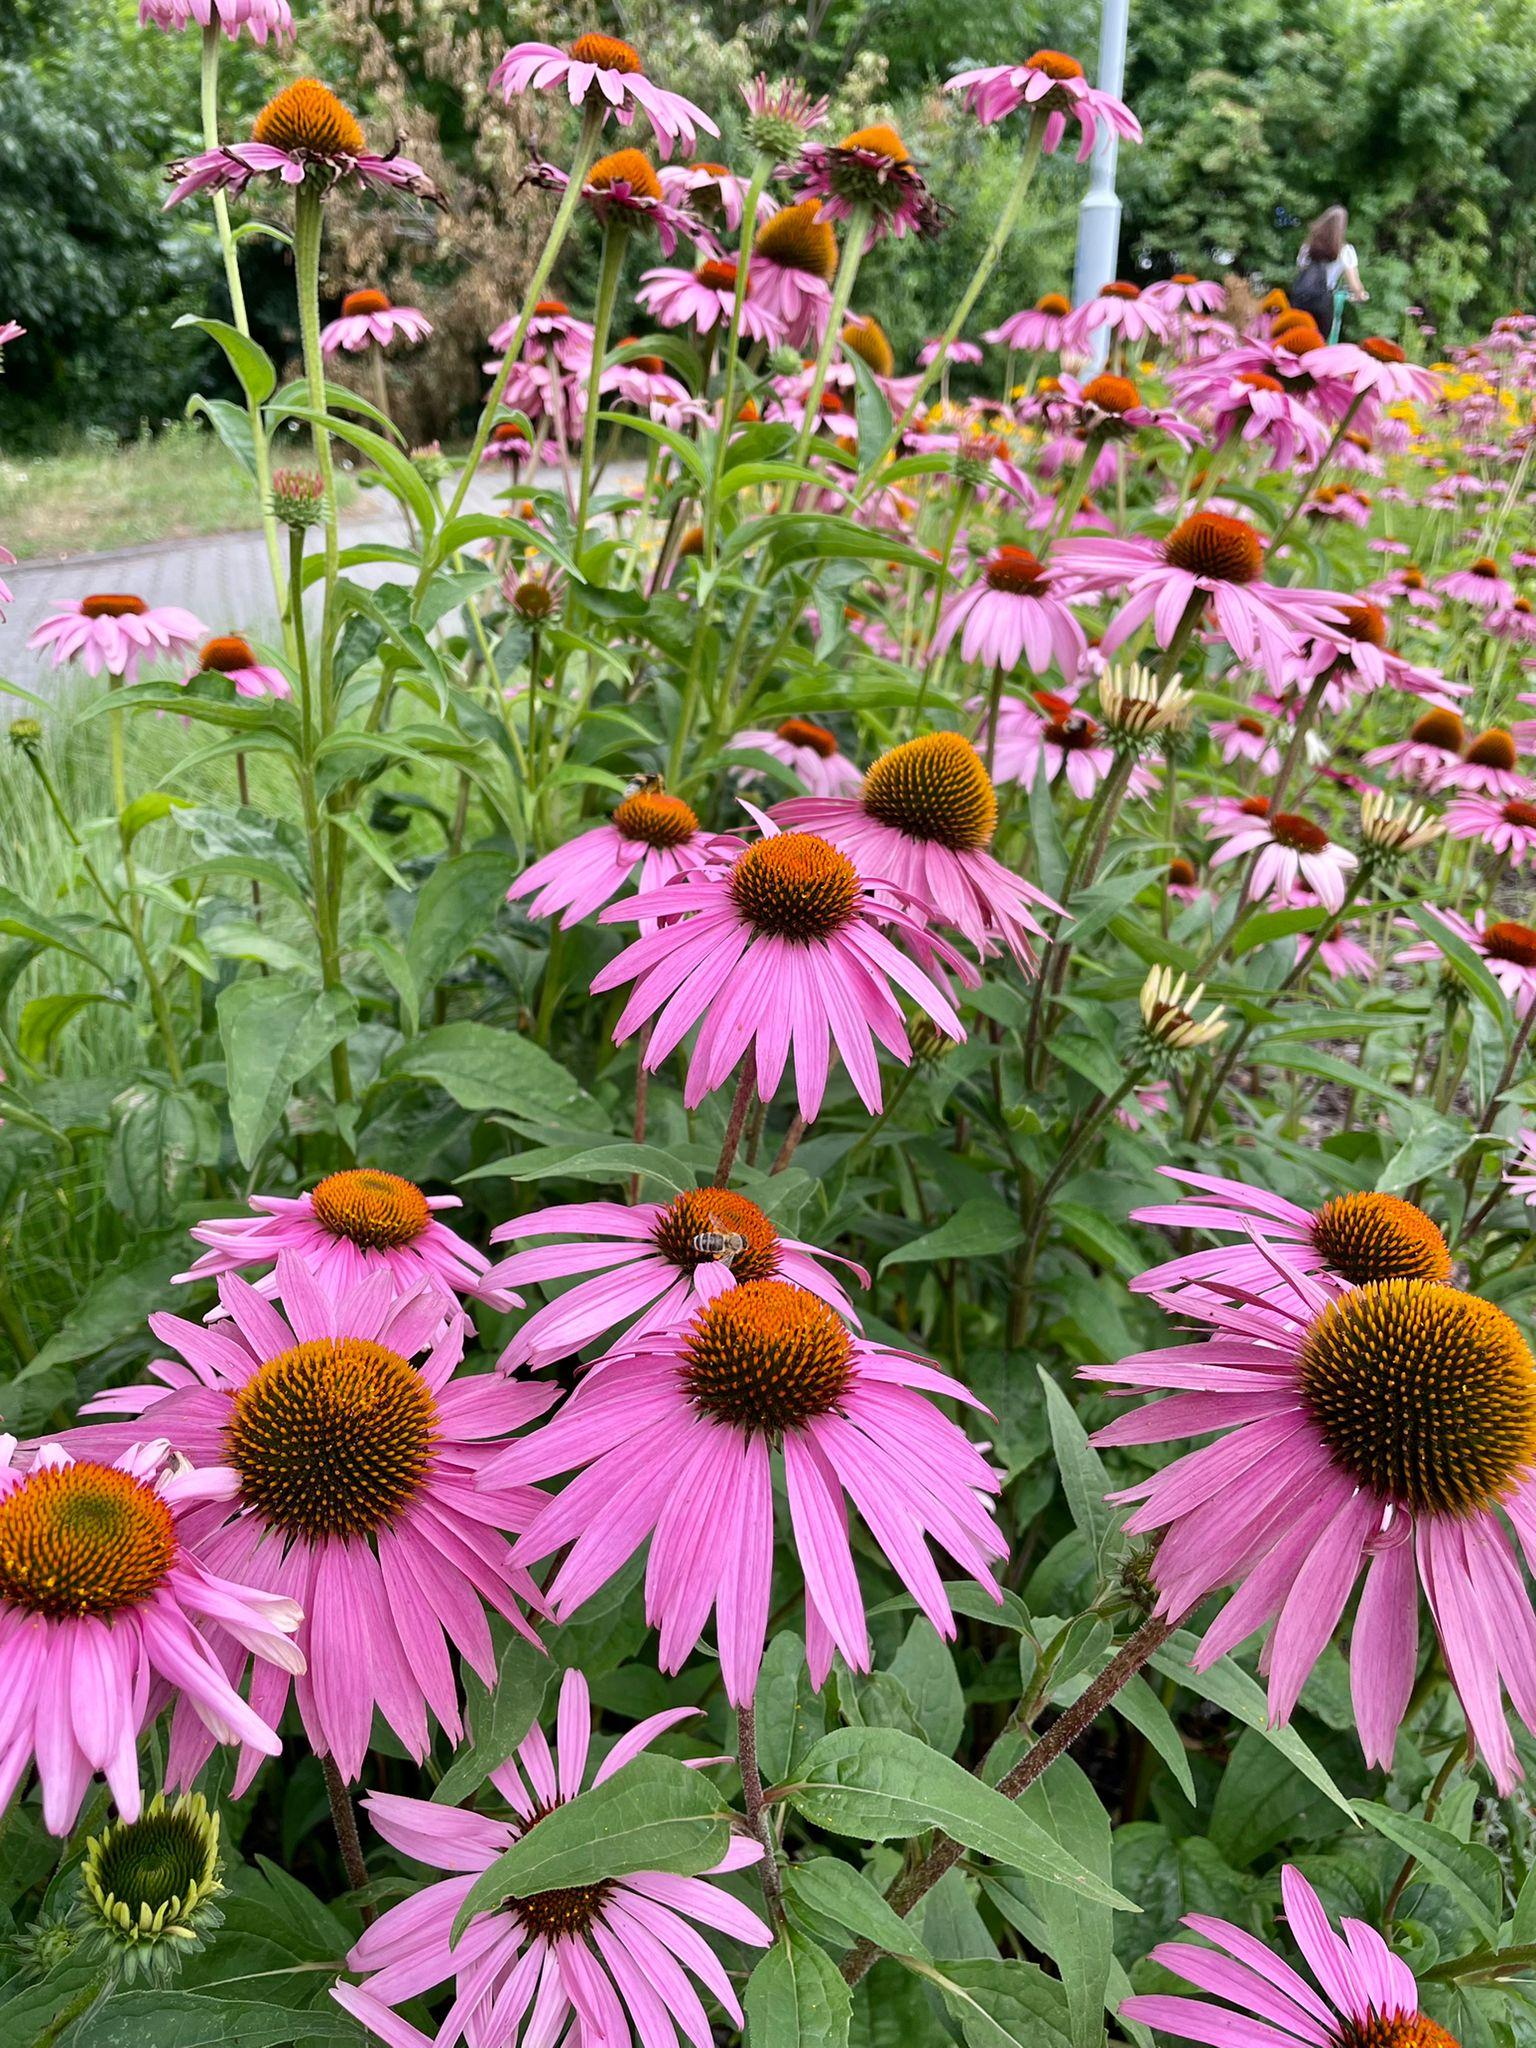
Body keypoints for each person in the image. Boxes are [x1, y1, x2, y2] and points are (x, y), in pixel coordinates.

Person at [1290, 207, 1367, 340]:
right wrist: (1360, 295)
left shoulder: (1308, 247)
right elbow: (1354, 285)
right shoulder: (1345, 251)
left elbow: (1301, 271)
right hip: (1322, 303)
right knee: (1318, 344)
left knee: (1295, 340)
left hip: (1300, 301)